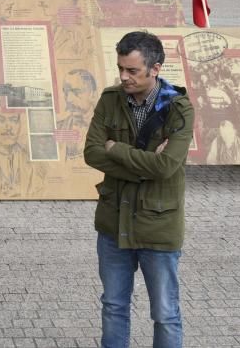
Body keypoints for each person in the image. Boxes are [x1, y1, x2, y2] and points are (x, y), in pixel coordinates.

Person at [84, 31, 195, 348]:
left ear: (155, 68)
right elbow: (92, 153)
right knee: (113, 307)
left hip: (158, 227)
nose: (124, 76)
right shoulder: (110, 99)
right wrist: (145, 164)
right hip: (113, 223)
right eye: (120, 68)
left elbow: (166, 167)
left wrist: (115, 149)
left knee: (165, 314)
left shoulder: (178, 108)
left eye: (132, 70)